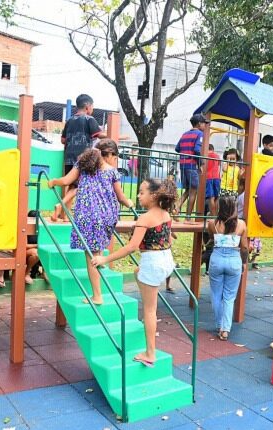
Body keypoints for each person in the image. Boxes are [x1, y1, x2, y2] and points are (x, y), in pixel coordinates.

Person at [92, 178, 178, 367]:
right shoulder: (165, 214)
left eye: (142, 192)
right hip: (166, 261)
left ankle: (150, 353)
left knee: (149, 310)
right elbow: (165, 237)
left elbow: (131, 247)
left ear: (154, 195)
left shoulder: (145, 218)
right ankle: (149, 325)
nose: (139, 196)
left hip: (153, 263)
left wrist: (104, 259)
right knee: (138, 271)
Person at [49, 139, 134, 305]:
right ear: (108, 153)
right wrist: (129, 203)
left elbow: (66, 181)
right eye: (115, 156)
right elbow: (121, 197)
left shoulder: (83, 164)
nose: (115, 160)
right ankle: (100, 263)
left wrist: (53, 182)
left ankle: (97, 296)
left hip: (88, 216)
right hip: (109, 215)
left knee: (91, 256)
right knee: (98, 244)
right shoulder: (112, 171)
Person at [52, 94, 107, 222]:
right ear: (87, 107)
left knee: (72, 186)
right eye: (92, 106)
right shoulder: (89, 119)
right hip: (83, 159)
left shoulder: (70, 120)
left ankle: (65, 216)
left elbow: (62, 140)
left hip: (68, 158)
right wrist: (115, 136)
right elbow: (99, 135)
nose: (92, 109)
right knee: (79, 186)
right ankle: (60, 206)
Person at [207, 196, 249, 341]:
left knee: (216, 294)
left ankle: (219, 325)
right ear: (234, 208)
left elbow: (211, 238)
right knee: (229, 297)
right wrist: (244, 262)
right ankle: (225, 329)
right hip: (234, 259)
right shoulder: (241, 224)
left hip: (217, 258)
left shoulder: (212, 223)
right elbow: (244, 247)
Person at [175, 114, 208, 222]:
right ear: (199, 124)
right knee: (194, 191)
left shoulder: (184, 134)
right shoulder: (200, 134)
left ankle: (177, 206)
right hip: (192, 165)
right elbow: (197, 150)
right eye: (204, 123)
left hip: (183, 164)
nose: (205, 126)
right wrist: (201, 164)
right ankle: (188, 218)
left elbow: (177, 148)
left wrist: (185, 152)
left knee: (188, 189)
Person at [205, 144, 221, 216]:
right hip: (217, 177)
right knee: (217, 197)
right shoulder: (217, 156)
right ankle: (216, 214)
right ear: (213, 149)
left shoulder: (206, 155)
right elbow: (219, 165)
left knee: (211, 197)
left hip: (208, 177)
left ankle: (212, 215)